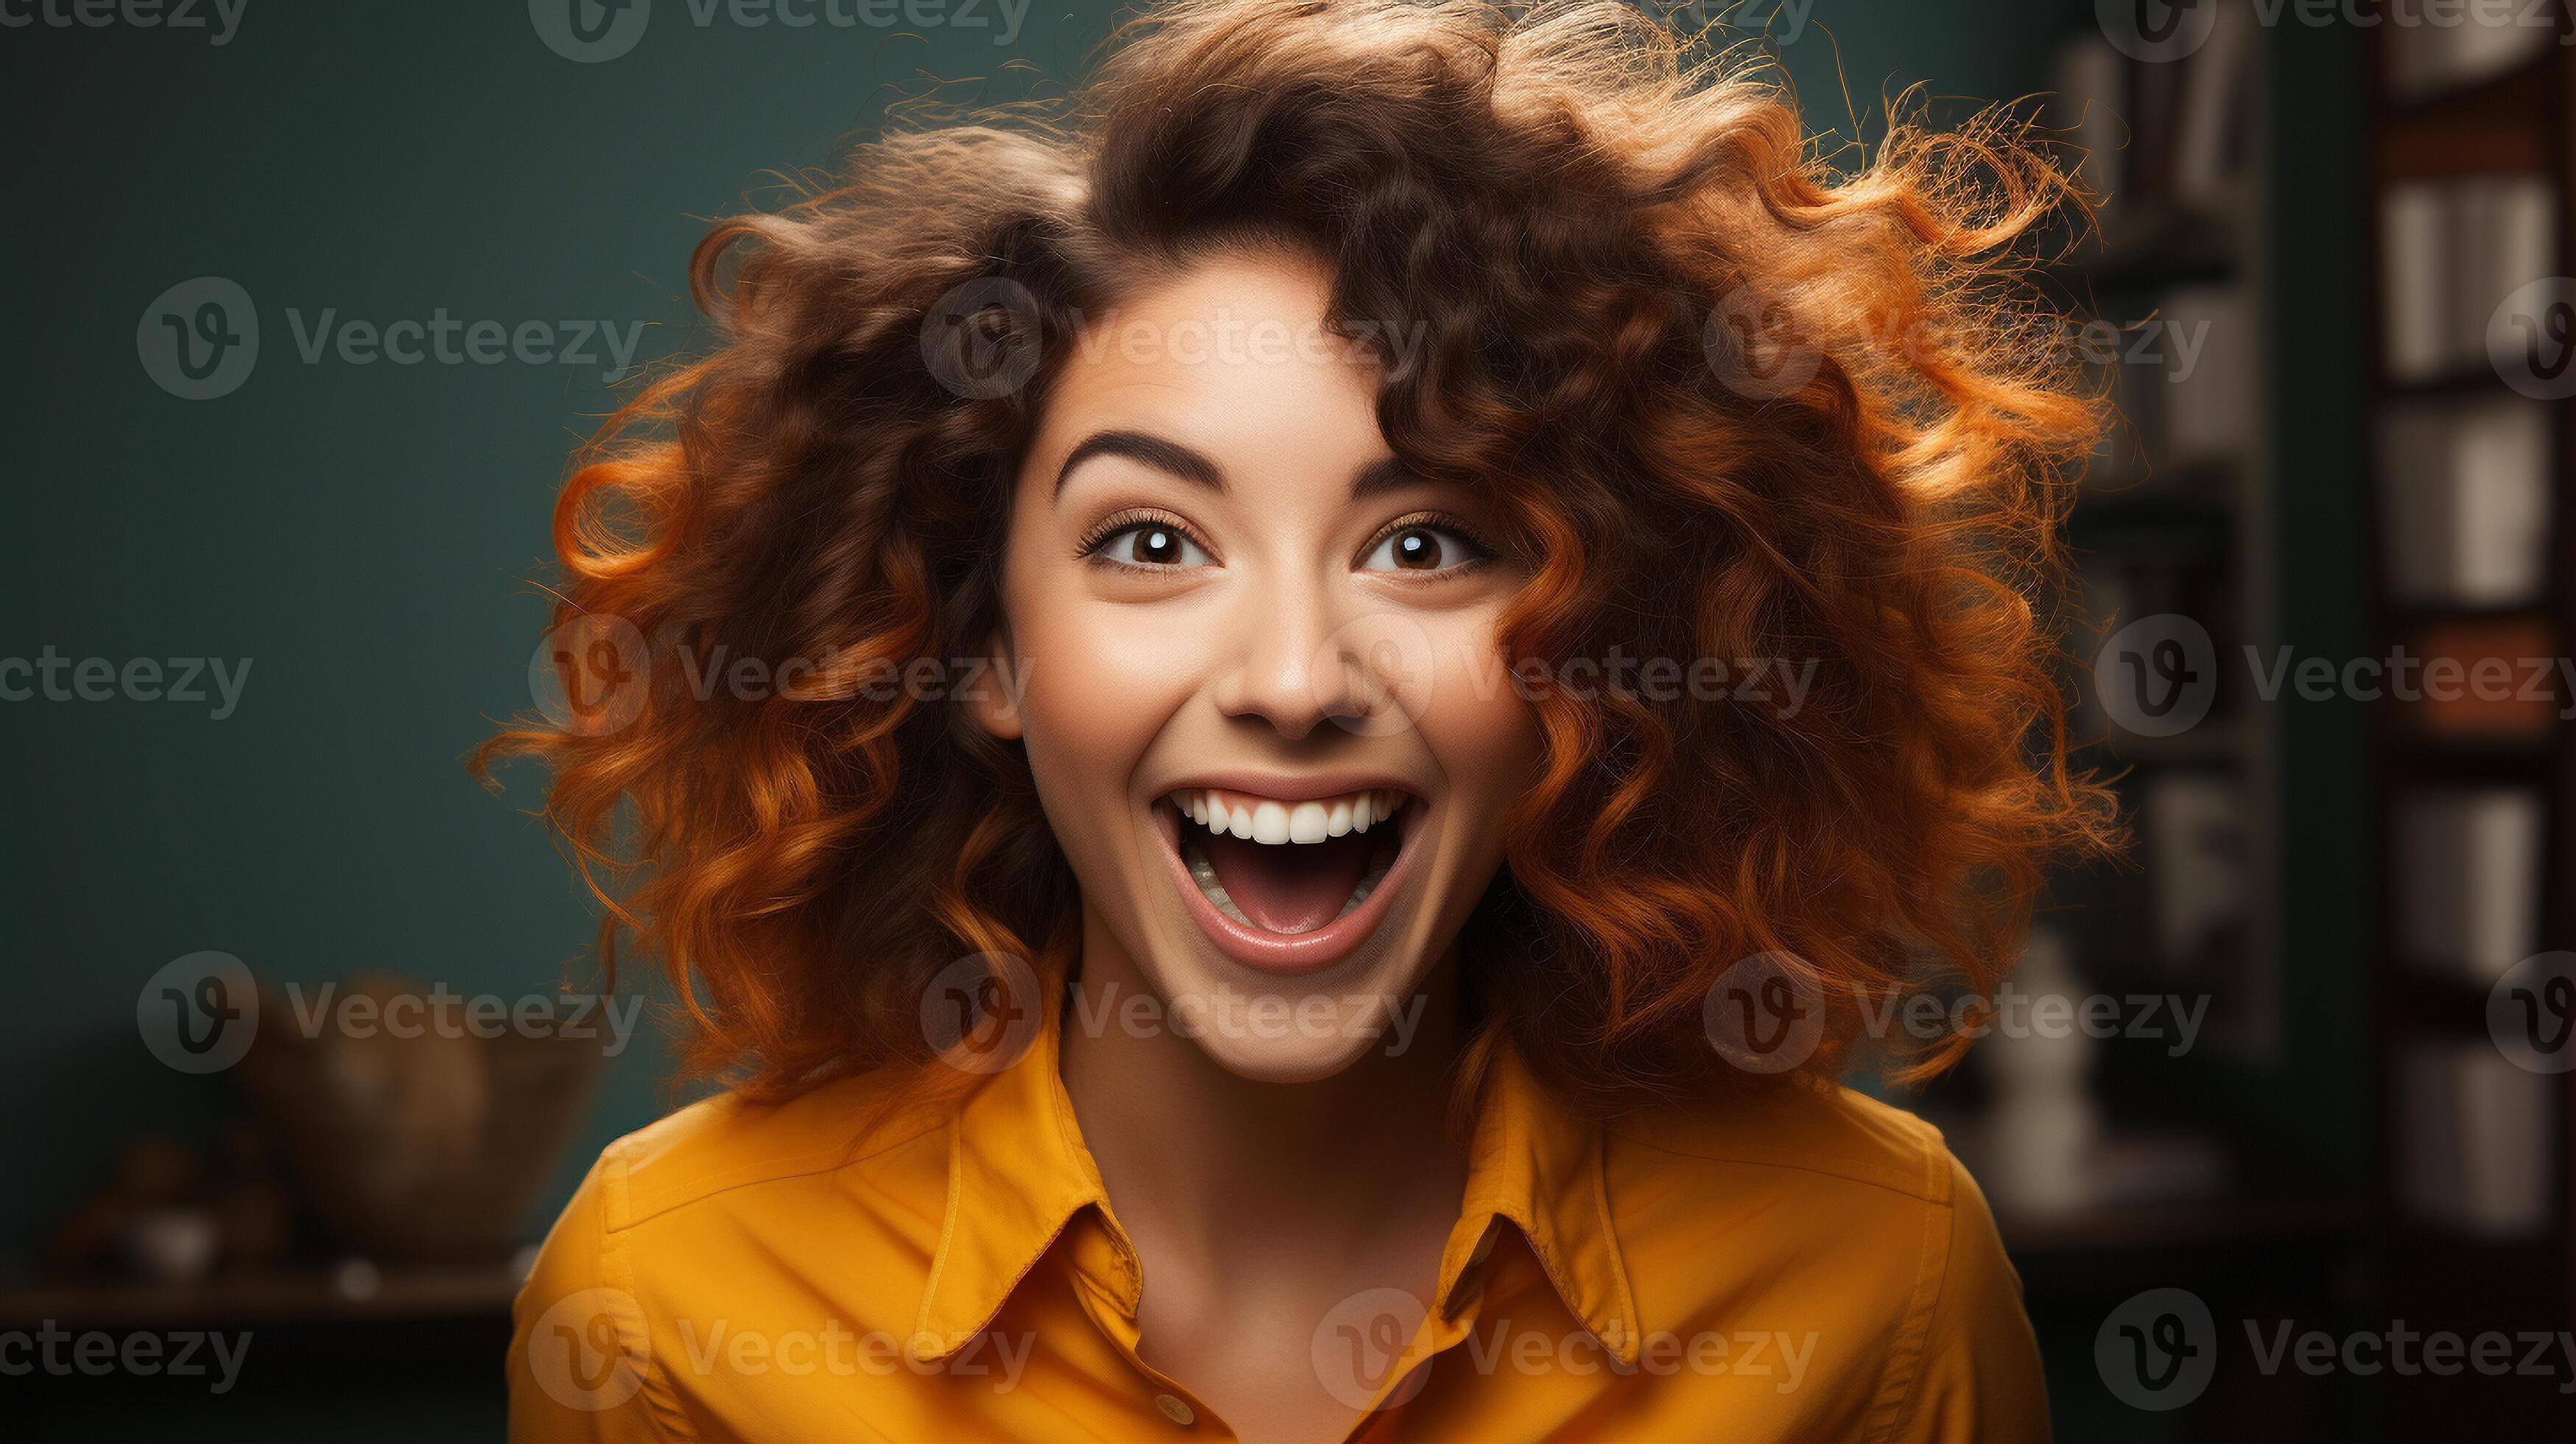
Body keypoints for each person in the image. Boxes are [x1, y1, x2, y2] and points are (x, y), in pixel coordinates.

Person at [491, 1, 2118, 1438]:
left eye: (1425, 545)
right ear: (984, 644)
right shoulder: (671, 1311)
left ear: (1589, 645)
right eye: (1152, 544)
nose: (1291, 680)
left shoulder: (1874, 1282)